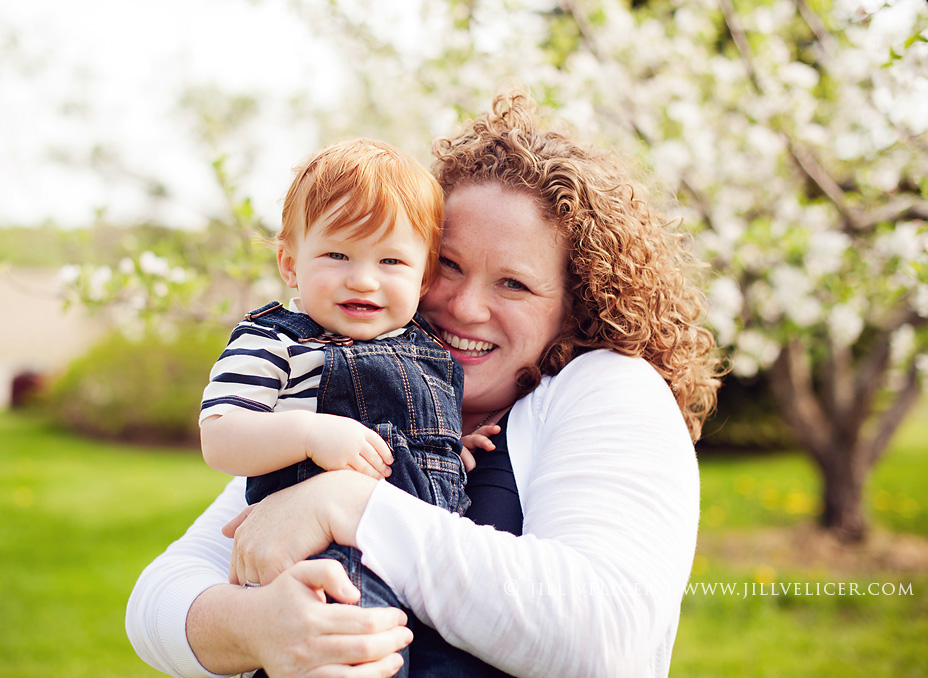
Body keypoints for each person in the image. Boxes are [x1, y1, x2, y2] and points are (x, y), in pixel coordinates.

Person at [127, 87, 722, 678]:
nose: (465, 307)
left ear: (576, 304)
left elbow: (607, 640)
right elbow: (157, 601)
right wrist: (257, 629)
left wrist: (349, 505)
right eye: (449, 267)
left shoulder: (606, 389)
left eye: (513, 284)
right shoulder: (346, 383)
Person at [198, 137, 496, 675]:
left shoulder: (424, 345)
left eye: (391, 260)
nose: (362, 278)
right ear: (290, 264)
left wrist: (451, 446)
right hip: (328, 559)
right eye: (337, 254)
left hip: (423, 561)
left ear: (424, 277)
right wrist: (310, 434)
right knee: (353, 656)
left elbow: (418, 436)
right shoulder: (275, 342)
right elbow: (220, 436)